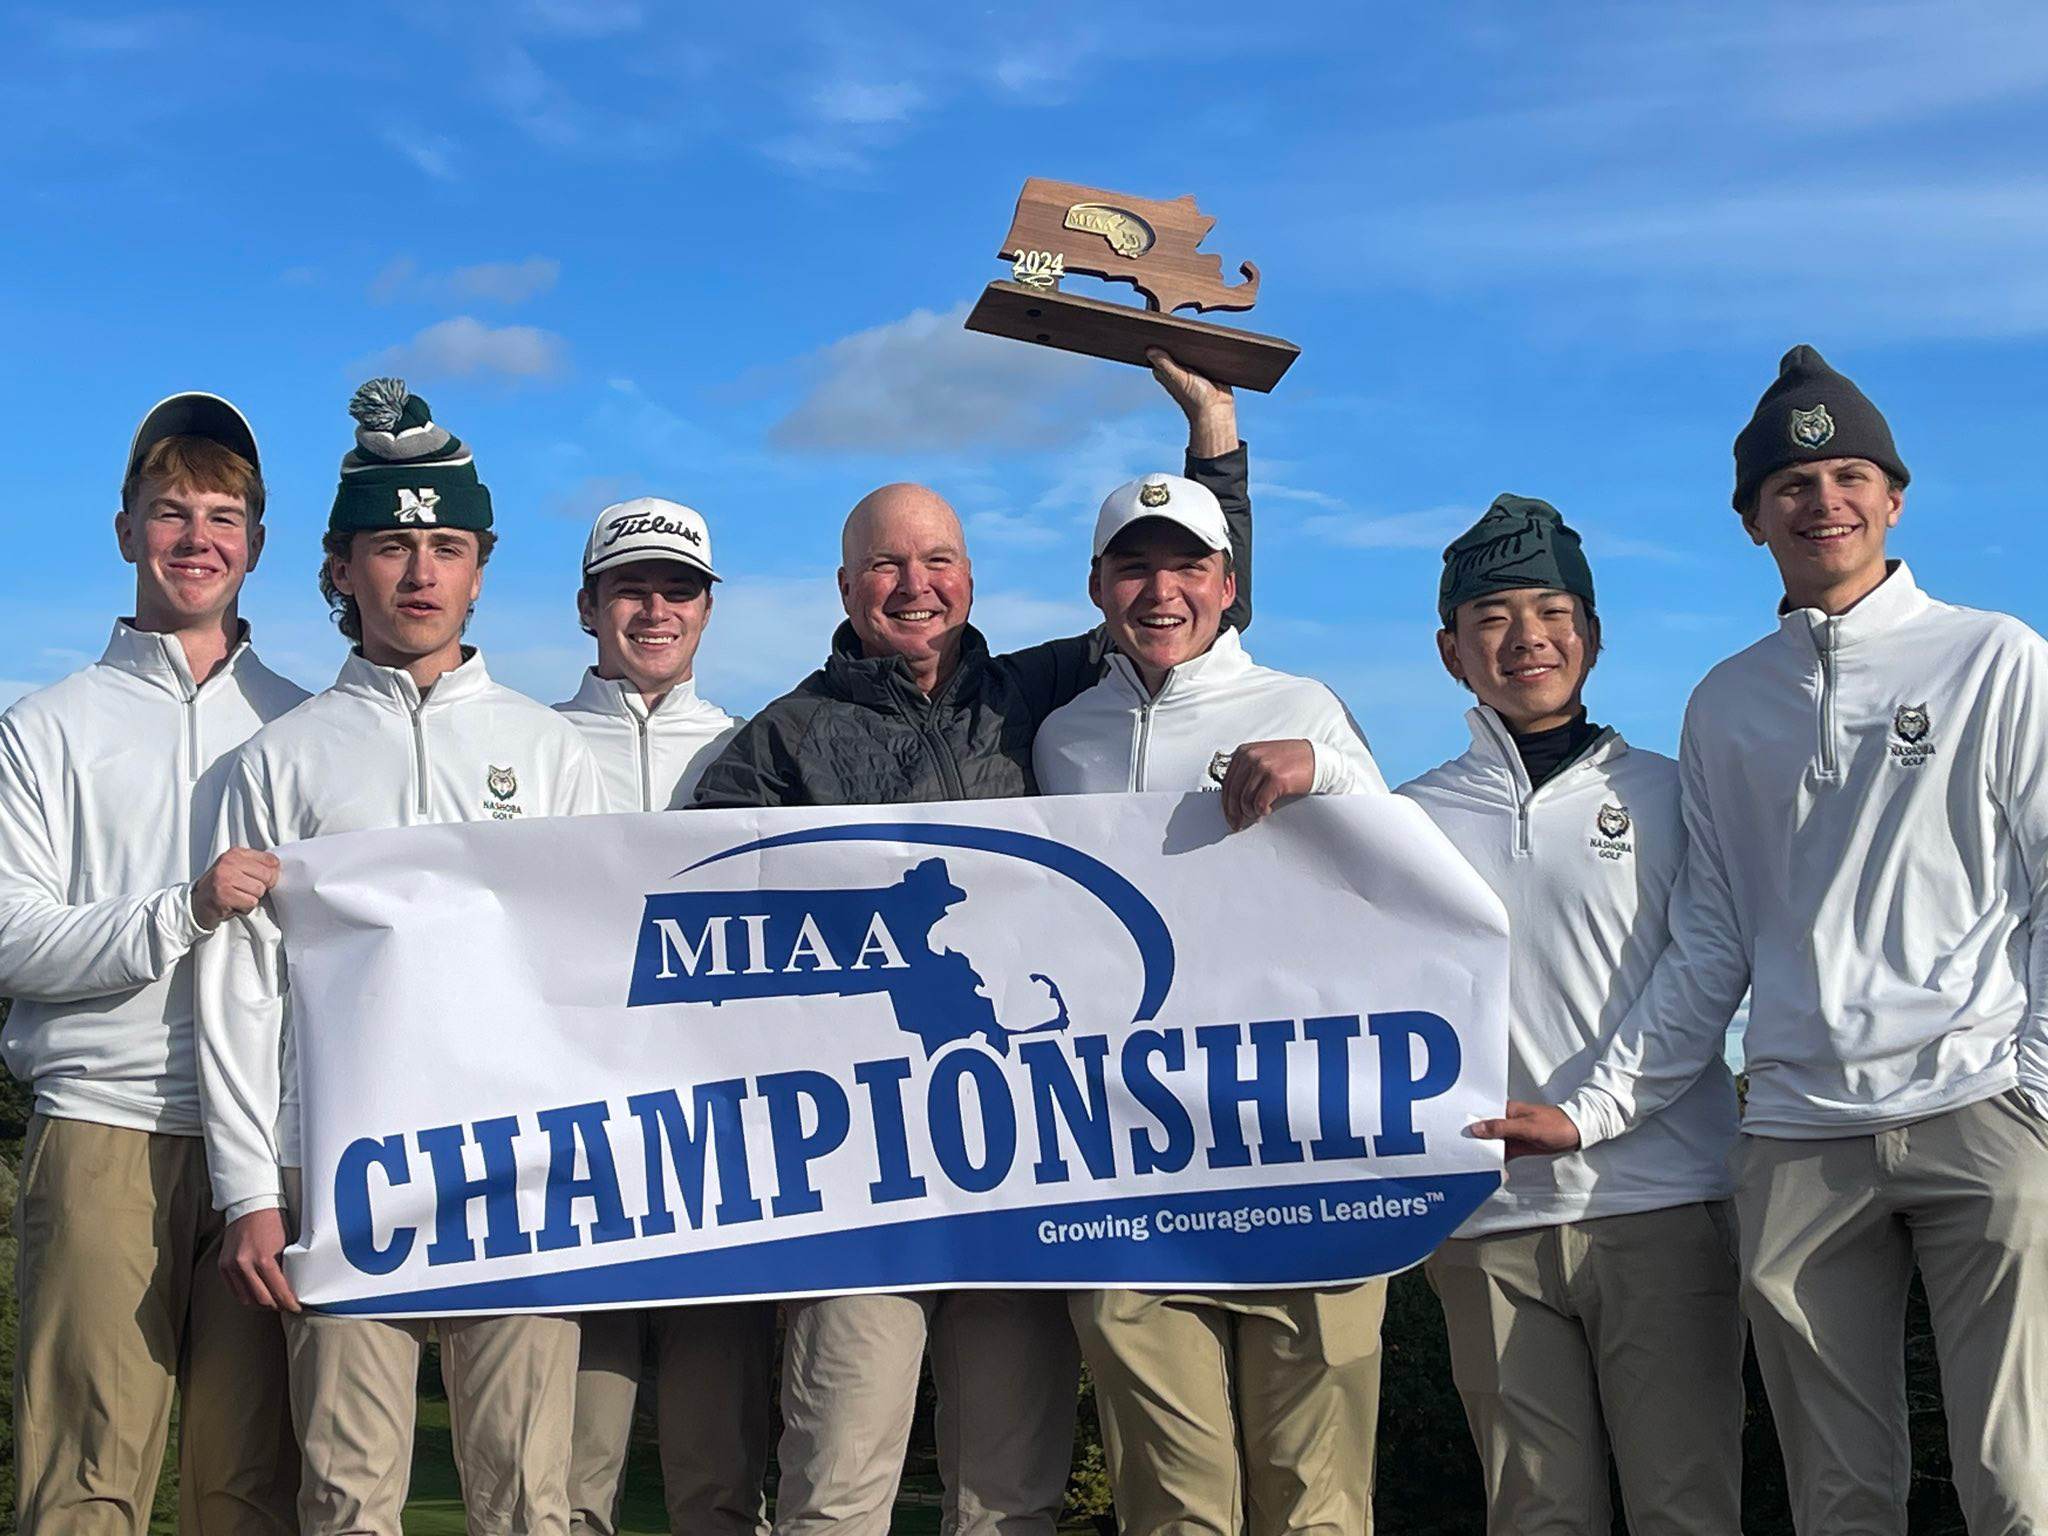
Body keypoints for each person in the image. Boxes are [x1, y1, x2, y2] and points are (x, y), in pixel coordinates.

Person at [1481, 347, 2048, 1534]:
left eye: (1847, 474)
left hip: (1978, 1103)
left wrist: (2031, 1090)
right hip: (1792, 1135)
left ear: (1893, 497)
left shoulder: (1992, 657)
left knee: (2014, 1482)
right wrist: (1590, 1111)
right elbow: (1712, 940)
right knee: (1837, 1496)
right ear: (1749, 519)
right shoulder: (1725, 701)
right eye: (1788, 486)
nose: (1820, 501)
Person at [692, 351, 1249, 1536]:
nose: (914, 582)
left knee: (1009, 1499)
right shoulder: (777, 744)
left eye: (936, 559)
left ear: (969, 576)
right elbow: (695, 933)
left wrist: (1212, 440)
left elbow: (1190, 604)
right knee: (835, 1489)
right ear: (845, 586)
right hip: (858, 1180)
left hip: (1023, 1164)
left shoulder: (1038, 691)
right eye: (888, 563)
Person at [195, 378, 605, 1536]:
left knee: (528, 1496)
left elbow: (585, 976)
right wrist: (246, 1193)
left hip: (521, 1172)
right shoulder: (275, 761)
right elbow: (238, 992)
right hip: (338, 1176)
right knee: (347, 1497)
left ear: (481, 566)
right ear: (339, 568)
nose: (418, 572)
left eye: (445, 545)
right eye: (390, 545)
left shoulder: (550, 750)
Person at [1032, 470, 1386, 1536]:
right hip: (1132, 1166)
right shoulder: (1061, 736)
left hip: (1302, 1154)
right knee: (1173, 1507)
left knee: (1312, 1501)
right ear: (1096, 586)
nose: (1160, 590)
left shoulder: (1302, 705)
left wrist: (1324, 765)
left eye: (1186, 565)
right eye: (1134, 567)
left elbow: (1404, 880)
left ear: (1228, 584)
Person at [1396, 496, 1742, 1536]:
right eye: (1491, 616)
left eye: (1551, 609)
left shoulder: (1677, 794)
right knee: (1534, 1515)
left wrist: (1586, 1113)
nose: (1525, 637)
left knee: (1683, 1506)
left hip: (1660, 1203)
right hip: (1487, 1222)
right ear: (1450, 649)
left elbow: (1705, 972)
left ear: (1590, 633)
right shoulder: (1404, 818)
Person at [0, 392, 305, 1536]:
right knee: (84, 1483)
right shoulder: (46, 727)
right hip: (102, 1127)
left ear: (258, 545)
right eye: (169, 511)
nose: (196, 537)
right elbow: (10, 934)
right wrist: (178, 911)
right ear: (124, 530)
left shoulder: (303, 723)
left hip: (264, 1152)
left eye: (222, 515)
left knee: (251, 1487)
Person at [553, 499, 765, 1536]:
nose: (655, 608)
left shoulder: (757, 752)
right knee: (570, 1477)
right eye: (631, 587)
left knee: (716, 1481)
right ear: (588, 604)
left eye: (678, 589)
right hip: (571, 1150)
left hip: (717, 1157)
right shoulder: (529, 744)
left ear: (708, 608)